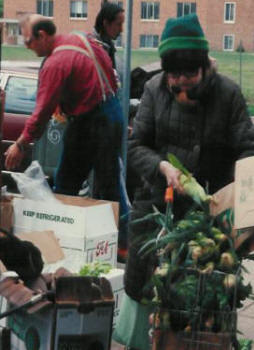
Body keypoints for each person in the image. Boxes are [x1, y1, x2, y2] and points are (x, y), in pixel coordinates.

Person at [114, 14, 254, 350]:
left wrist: (243, 210)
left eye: (190, 74)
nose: (181, 83)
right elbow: (136, 146)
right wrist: (163, 167)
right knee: (146, 284)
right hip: (157, 206)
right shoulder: (153, 88)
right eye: (174, 76)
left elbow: (248, 153)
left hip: (211, 217)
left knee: (207, 296)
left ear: (205, 66)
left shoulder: (229, 95)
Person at [5, 15, 123, 204]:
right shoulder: (80, 38)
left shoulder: (55, 63)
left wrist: (20, 144)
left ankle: (61, 228)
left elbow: (42, 112)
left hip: (92, 122)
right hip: (111, 112)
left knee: (66, 185)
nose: (27, 47)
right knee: (110, 186)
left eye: (28, 41)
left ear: (42, 35)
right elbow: (106, 71)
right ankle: (119, 231)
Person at [93, 2, 124, 69]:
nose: (121, 30)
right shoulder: (95, 51)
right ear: (106, 23)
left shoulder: (108, 46)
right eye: (118, 24)